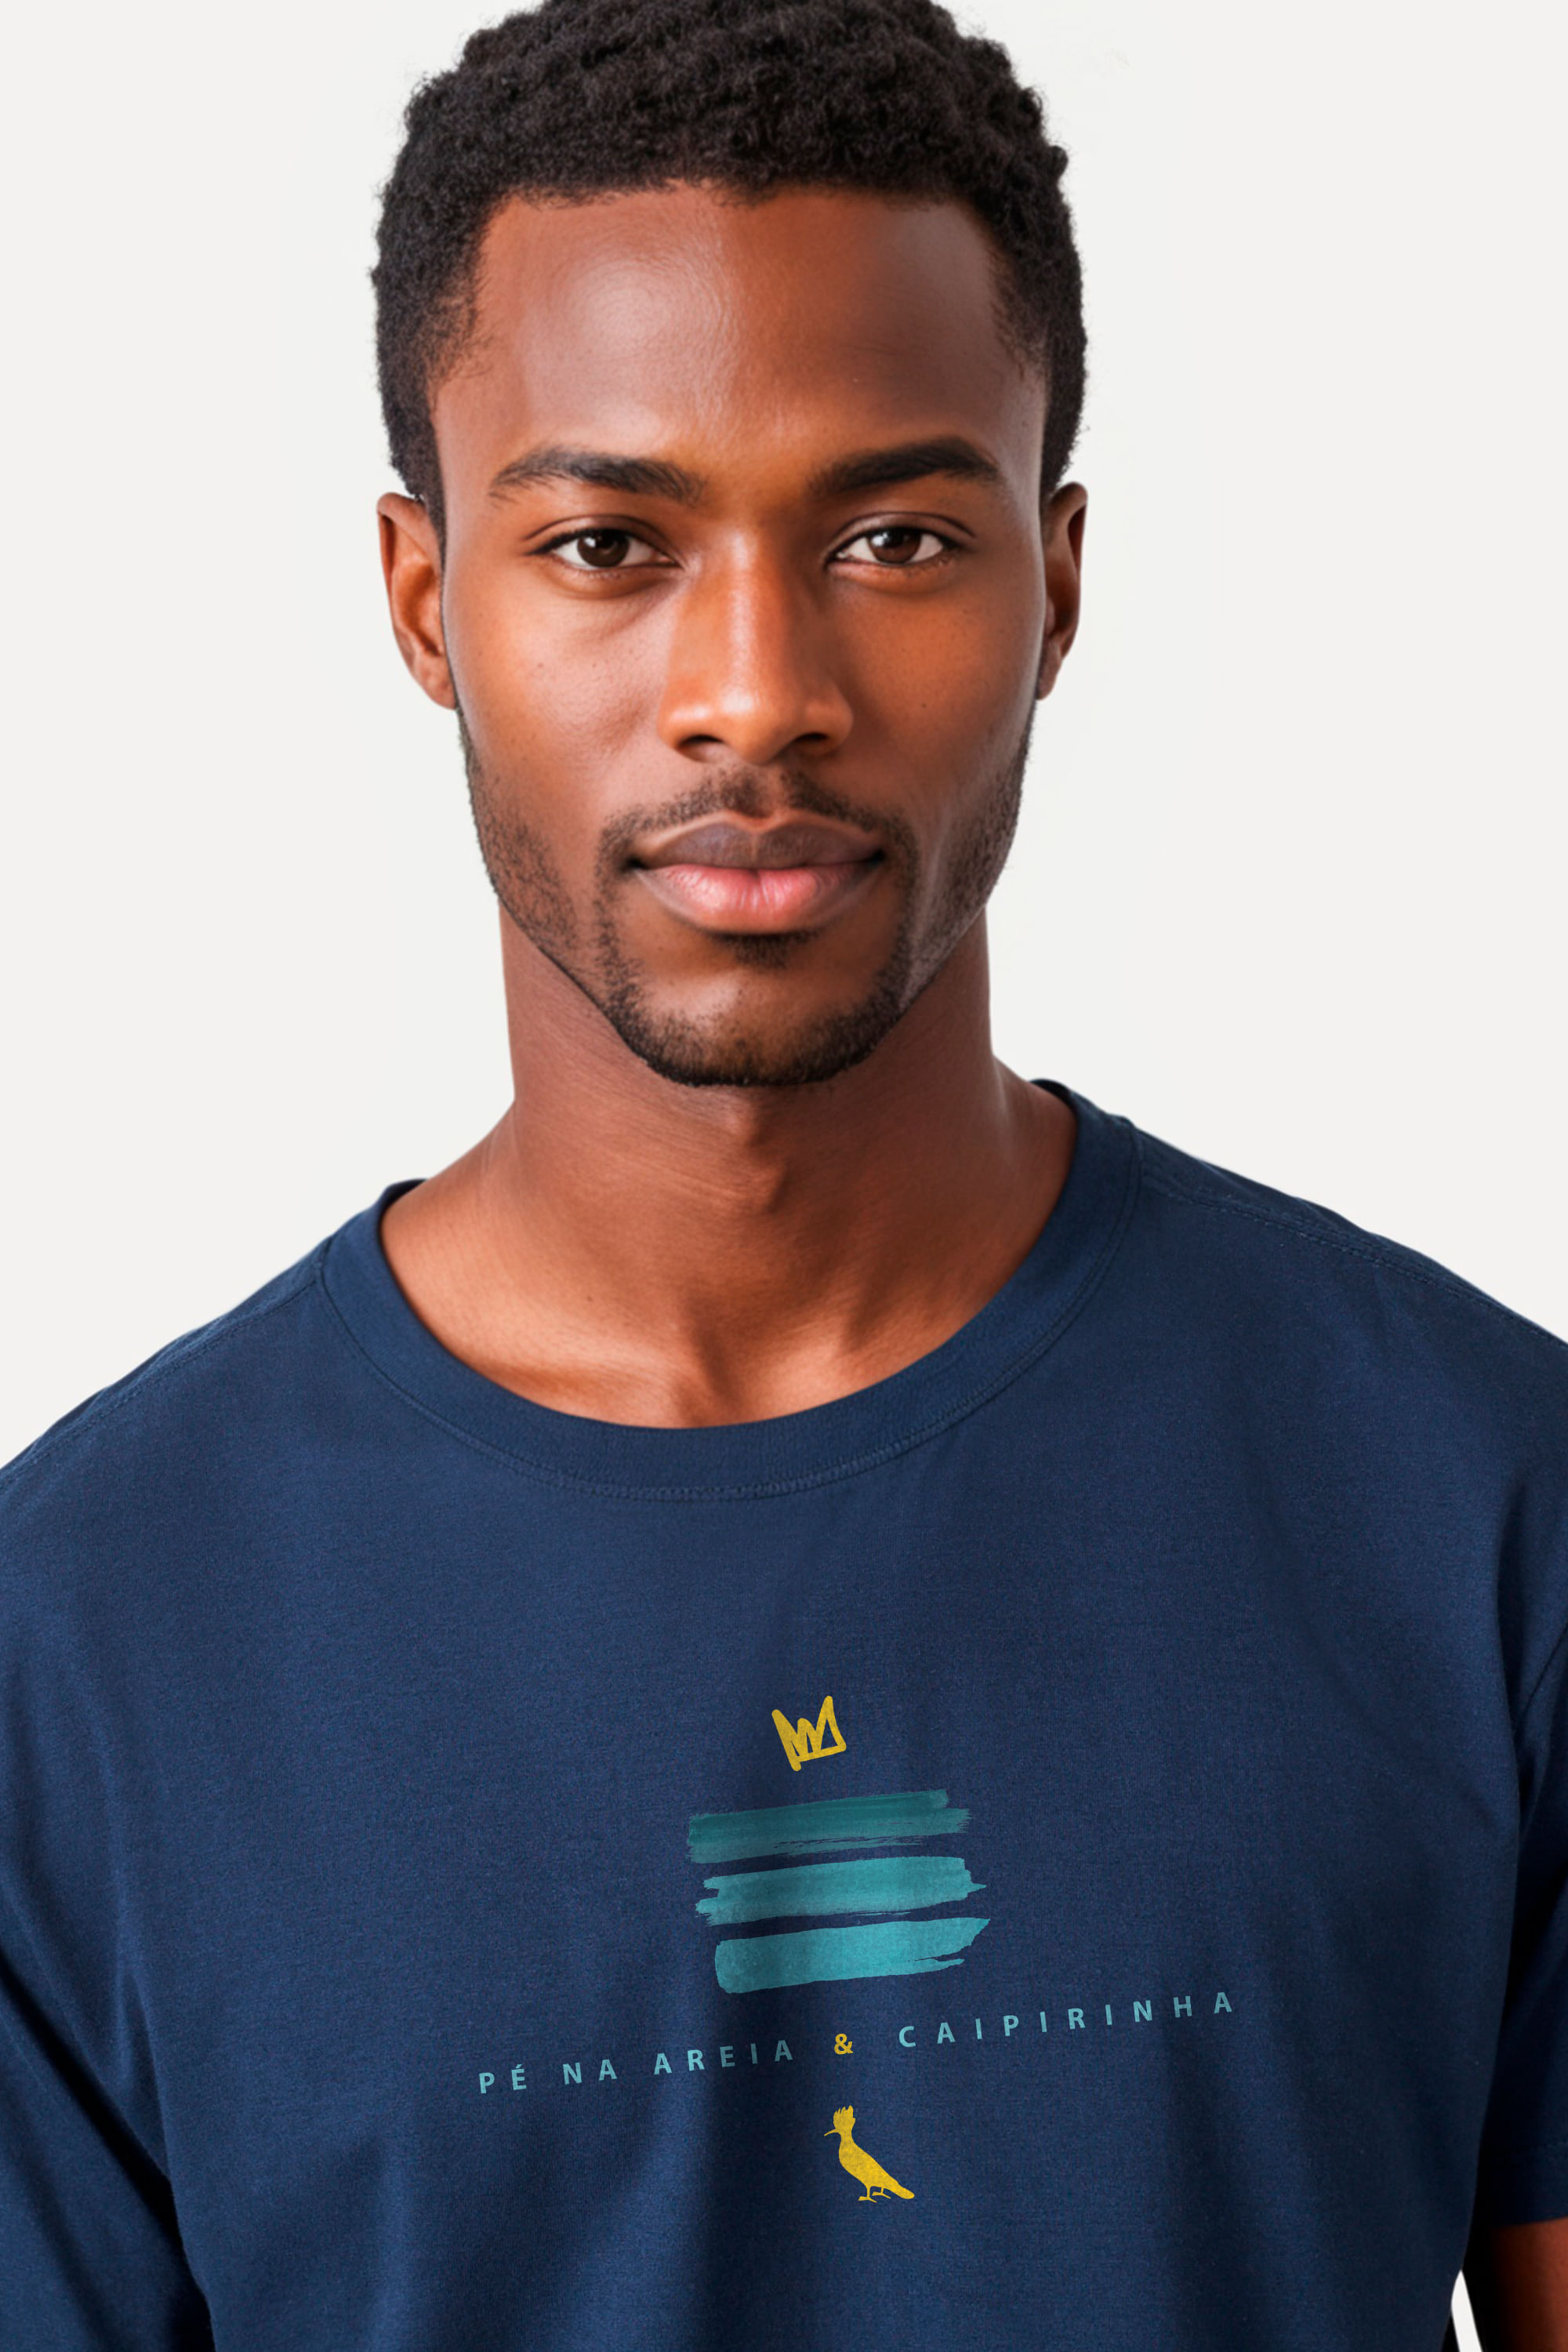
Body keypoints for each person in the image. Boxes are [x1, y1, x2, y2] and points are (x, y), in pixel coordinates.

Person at [1, 0, 1563, 2343]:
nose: (755, 689)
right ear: (429, 602)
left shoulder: (1486, 1503)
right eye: (608, 543)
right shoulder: (75, 1656)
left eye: (896, 536)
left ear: (1057, 585)